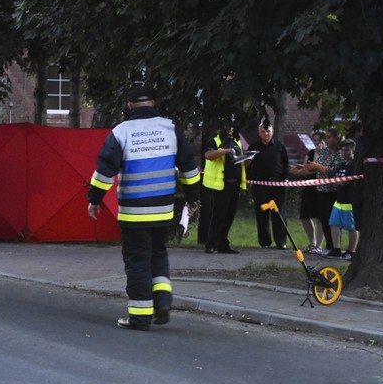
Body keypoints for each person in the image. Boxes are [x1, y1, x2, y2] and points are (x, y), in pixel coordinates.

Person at [87, 85, 200, 331]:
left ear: (129, 106)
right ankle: (162, 302)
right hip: (163, 210)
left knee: (137, 261)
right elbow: (190, 168)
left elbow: (105, 170)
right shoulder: (170, 128)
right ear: (154, 102)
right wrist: (193, 198)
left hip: (134, 212)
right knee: (157, 254)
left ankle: (139, 316)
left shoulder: (121, 132)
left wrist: (94, 199)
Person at [202, 116, 246, 254]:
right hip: (221, 184)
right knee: (218, 215)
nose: (230, 130)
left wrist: (248, 158)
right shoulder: (215, 141)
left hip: (235, 184)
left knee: (229, 216)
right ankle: (211, 244)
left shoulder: (236, 143)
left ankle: (223, 243)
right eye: (227, 128)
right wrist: (226, 151)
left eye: (232, 128)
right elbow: (208, 155)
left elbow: (240, 161)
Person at [247, 117, 290, 249]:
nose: (266, 134)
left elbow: (286, 164)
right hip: (260, 186)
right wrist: (249, 180)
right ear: (259, 132)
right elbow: (247, 165)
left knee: (279, 213)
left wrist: (285, 179)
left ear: (272, 131)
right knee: (262, 214)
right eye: (263, 131)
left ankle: (281, 242)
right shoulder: (253, 147)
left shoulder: (279, 146)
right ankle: (264, 242)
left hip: (278, 185)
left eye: (268, 131)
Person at [306, 127, 342, 254]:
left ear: (336, 138)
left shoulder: (340, 153)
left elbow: (331, 171)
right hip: (320, 190)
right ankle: (328, 246)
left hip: (332, 191)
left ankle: (334, 246)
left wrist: (316, 166)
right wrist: (307, 167)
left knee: (331, 219)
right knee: (323, 218)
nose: (326, 140)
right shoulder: (325, 151)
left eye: (329, 137)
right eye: (326, 137)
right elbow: (318, 165)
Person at [292, 130, 326, 253]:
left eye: (319, 140)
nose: (317, 143)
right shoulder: (311, 153)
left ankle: (319, 245)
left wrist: (316, 160)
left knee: (319, 216)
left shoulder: (328, 154)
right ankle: (312, 243)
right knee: (305, 215)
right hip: (309, 187)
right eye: (315, 140)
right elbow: (306, 170)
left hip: (322, 188)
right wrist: (312, 163)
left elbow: (321, 170)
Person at [325, 139, 360, 259]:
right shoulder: (341, 164)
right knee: (333, 223)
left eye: (347, 150)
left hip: (349, 201)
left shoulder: (354, 165)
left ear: (353, 151)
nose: (344, 152)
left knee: (352, 227)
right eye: (343, 150)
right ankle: (336, 249)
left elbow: (345, 182)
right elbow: (333, 175)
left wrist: (339, 181)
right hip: (338, 201)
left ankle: (351, 251)